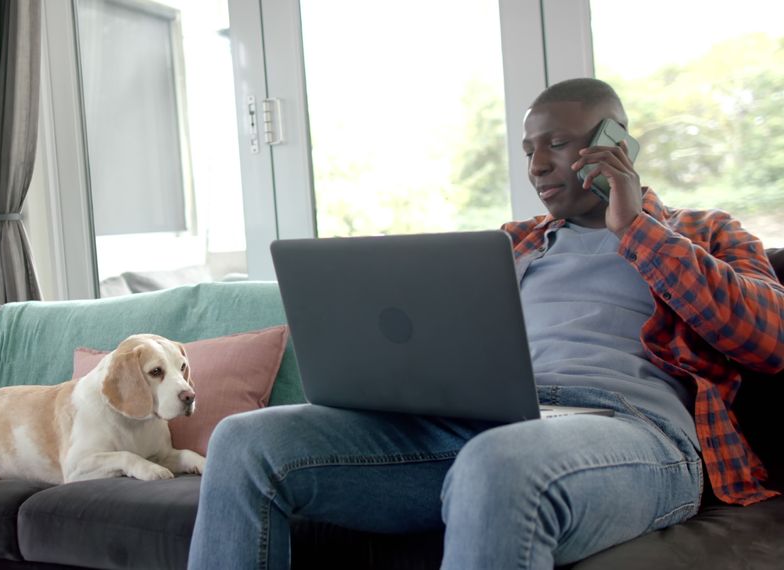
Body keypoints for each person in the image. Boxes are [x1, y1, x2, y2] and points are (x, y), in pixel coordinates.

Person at [186, 77, 784, 569]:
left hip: (635, 436)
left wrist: (637, 231)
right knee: (247, 441)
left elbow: (769, 339)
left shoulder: (705, 232)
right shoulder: (510, 245)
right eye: (529, 149)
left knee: (499, 459)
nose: (538, 165)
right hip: (490, 425)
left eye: (556, 144)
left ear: (614, 145)